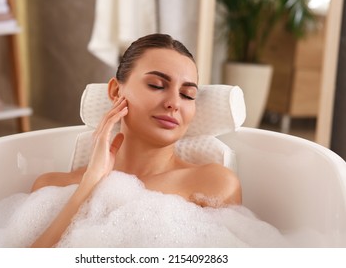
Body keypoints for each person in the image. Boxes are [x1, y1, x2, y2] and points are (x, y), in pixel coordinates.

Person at [30, 33, 242, 248]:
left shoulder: (212, 184)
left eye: (187, 95)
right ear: (115, 91)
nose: (174, 103)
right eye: (157, 85)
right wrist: (90, 182)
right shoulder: (51, 187)